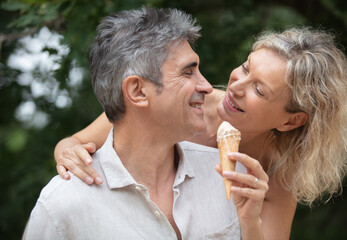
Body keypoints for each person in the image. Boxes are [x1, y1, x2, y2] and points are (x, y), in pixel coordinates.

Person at [54, 25, 347, 239]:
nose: (235, 86)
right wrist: (66, 152)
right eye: (245, 67)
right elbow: (75, 143)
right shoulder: (182, 106)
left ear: (291, 121)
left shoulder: (275, 172)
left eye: (259, 90)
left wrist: (249, 221)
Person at [23, 7, 267, 239]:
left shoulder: (234, 180)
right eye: (188, 72)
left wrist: (251, 225)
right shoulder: (62, 206)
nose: (206, 86)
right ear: (137, 91)